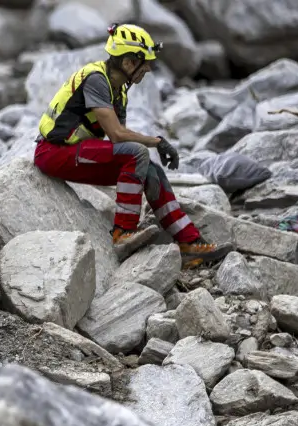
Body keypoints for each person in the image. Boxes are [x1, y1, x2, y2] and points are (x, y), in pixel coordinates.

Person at [34, 23, 233, 269]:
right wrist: (157, 142)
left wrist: (152, 151)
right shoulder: (97, 80)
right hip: (53, 153)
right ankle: (123, 234)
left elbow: (122, 142)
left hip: (75, 154)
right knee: (138, 153)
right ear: (128, 63)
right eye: (144, 63)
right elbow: (117, 135)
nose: (148, 68)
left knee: (151, 169)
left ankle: (190, 243)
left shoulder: (119, 92)